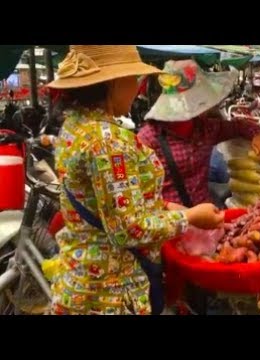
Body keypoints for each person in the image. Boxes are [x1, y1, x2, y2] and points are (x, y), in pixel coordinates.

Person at [46, 45, 224, 315]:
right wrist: (189, 218)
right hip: (110, 290)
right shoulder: (110, 144)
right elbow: (129, 229)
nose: (137, 86)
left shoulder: (74, 128)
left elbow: (109, 201)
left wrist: (166, 207)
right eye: (133, 79)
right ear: (114, 84)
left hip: (80, 279)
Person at [137, 59, 260, 314]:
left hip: (206, 226)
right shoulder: (148, 138)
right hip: (170, 227)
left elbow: (240, 125)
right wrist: (175, 213)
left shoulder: (206, 128)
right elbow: (139, 195)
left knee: (207, 288)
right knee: (175, 293)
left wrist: (257, 134)